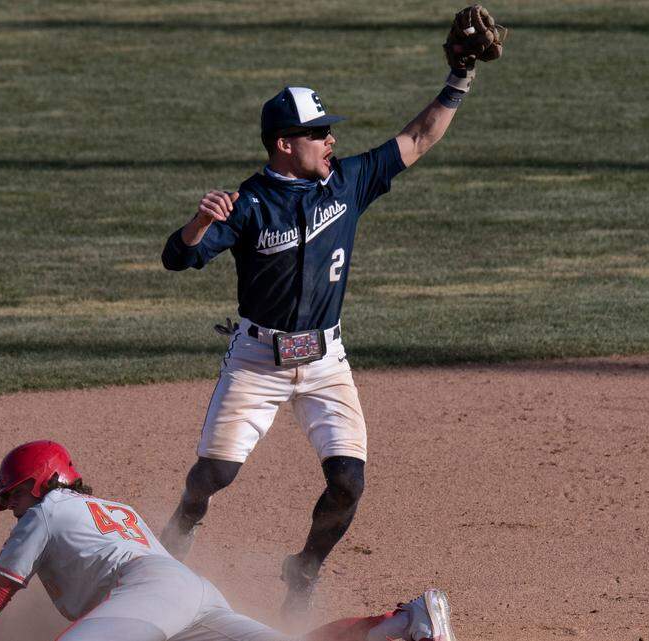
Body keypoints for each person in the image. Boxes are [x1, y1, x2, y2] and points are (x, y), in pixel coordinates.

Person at [158, 6, 504, 613]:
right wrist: (198, 223)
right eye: (319, 133)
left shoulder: (347, 183)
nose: (331, 140)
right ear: (286, 144)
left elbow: (418, 139)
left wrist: (459, 81)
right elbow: (177, 260)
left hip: (326, 361)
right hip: (257, 362)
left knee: (348, 481)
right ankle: (181, 528)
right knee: (215, 475)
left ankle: (304, 570)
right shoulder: (248, 204)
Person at [0, 440, 458, 641]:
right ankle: (404, 621)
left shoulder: (46, 511)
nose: (10, 508)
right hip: (193, 595)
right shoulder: (114, 510)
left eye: (12, 496)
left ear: (40, 483)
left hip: (148, 594)